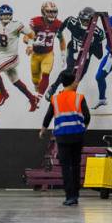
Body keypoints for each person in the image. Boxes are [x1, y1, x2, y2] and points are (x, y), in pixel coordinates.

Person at [39, 71, 91, 206]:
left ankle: (69, 196)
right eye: (76, 81)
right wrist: (82, 128)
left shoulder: (55, 99)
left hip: (62, 137)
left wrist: (43, 130)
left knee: (65, 167)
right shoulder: (79, 97)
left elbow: (48, 115)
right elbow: (87, 116)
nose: (77, 83)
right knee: (75, 165)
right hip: (77, 136)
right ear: (73, 82)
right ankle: (76, 195)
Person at [45, 7, 104, 101]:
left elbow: (99, 55)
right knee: (69, 71)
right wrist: (59, 32)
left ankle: (64, 95)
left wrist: (94, 42)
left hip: (86, 55)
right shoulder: (72, 22)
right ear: (79, 18)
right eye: (83, 21)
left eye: (87, 21)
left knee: (77, 78)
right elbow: (65, 22)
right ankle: (53, 88)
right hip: (74, 49)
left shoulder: (97, 32)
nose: (85, 23)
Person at [0, 4, 39, 111]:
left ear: (11, 15)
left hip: (12, 57)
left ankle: (3, 93)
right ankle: (32, 98)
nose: (6, 17)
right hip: (3, 57)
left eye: (8, 15)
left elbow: (32, 35)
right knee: (16, 82)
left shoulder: (16, 24)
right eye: (3, 15)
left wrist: (30, 45)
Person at [24, 1, 65, 95]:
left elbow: (62, 40)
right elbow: (26, 37)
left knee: (46, 74)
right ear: (43, 12)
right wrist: (31, 44)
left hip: (48, 54)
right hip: (35, 54)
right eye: (49, 11)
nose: (52, 14)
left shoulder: (58, 24)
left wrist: (63, 55)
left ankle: (40, 96)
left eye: (54, 11)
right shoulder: (36, 22)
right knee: (35, 79)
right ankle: (37, 88)